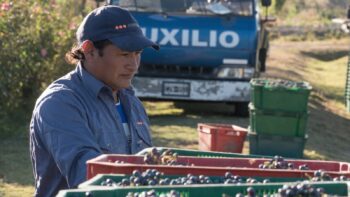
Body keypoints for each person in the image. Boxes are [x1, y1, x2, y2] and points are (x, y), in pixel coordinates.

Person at [29, 5, 159, 197]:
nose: (133, 65)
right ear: (89, 50)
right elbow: (88, 177)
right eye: (124, 54)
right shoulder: (60, 103)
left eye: (137, 53)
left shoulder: (131, 102)